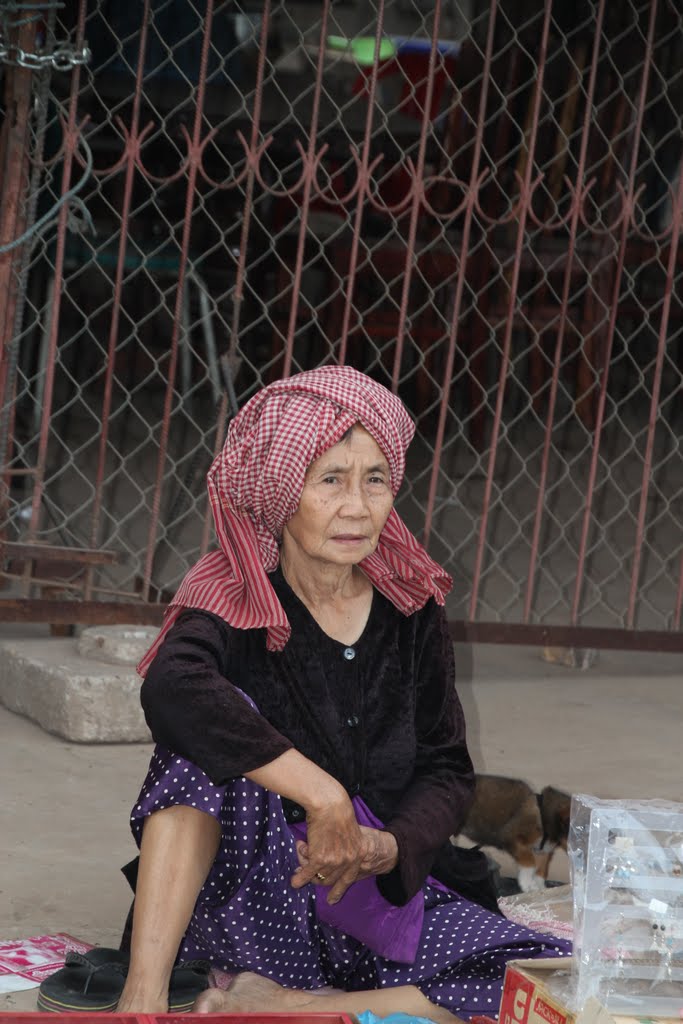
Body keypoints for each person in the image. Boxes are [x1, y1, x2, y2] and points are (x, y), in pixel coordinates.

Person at [117, 366, 570, 1023]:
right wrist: (321, 794)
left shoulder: (409, 609)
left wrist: (386, 847)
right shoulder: (234, 595)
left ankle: (286, 1004)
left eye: (375, 480)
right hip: (256, 891)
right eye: (329, 480)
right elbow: (172, 688)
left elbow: (445, 769)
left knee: (545, 979)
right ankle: (142, 1002)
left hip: (373, 897)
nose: (357, 508)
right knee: (202, 738)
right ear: (279, 490)